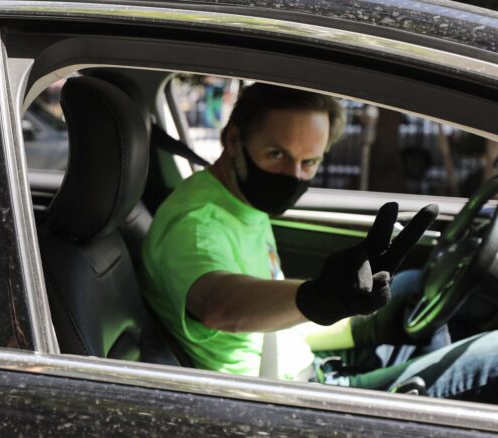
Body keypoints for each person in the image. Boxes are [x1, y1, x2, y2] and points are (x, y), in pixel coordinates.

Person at [141, 83, 498, 402]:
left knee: (408, 289)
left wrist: (362, 321)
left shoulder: (242, 204)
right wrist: (316, 296)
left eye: (309, 162)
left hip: (302, 373)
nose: (293, 176)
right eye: (277, 155)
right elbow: (218, 305)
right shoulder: (197, 222)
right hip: (276, 404)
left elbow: (273, 328)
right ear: (233, 140)